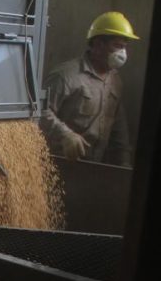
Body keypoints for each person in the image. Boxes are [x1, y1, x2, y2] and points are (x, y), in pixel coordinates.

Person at [40, 11, 139, 167]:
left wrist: (124, 165)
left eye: (124, 47)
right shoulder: (67, 75)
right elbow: (38, 111)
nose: (123, 53)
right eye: (117, 46)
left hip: (93, 166)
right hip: (57, 163)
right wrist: (65, 134)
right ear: (98, 44)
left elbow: (119, 131)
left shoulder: (115, 81)